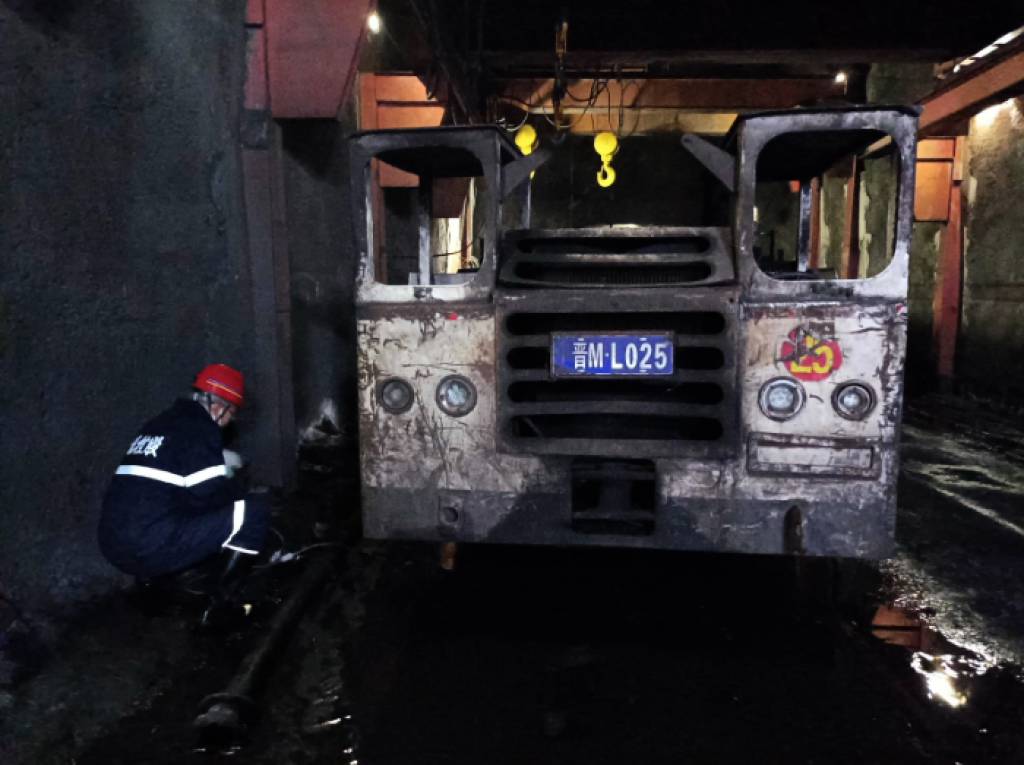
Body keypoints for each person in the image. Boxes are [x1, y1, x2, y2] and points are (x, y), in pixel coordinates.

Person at [98, 364, 269, 607]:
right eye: (231, 414)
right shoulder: (202, 427)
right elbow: (208, 495)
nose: (229, 421)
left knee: (169, 505)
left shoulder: (159, 423)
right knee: (253, 513)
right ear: (218, 407)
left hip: (111, 544)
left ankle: (153, 590)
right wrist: (239, 488)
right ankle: (221, 604)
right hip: (147, 547)